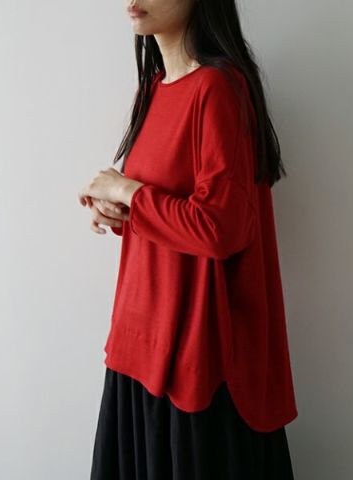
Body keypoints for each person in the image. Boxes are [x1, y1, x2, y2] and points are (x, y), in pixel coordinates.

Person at [78, 0, 298, 478]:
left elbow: (220, 228)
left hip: (196, 354)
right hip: (140, 341)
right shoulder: (154, 88)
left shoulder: (217, 87)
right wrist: (117, 209)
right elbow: (168, 212)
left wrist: (129, 191)